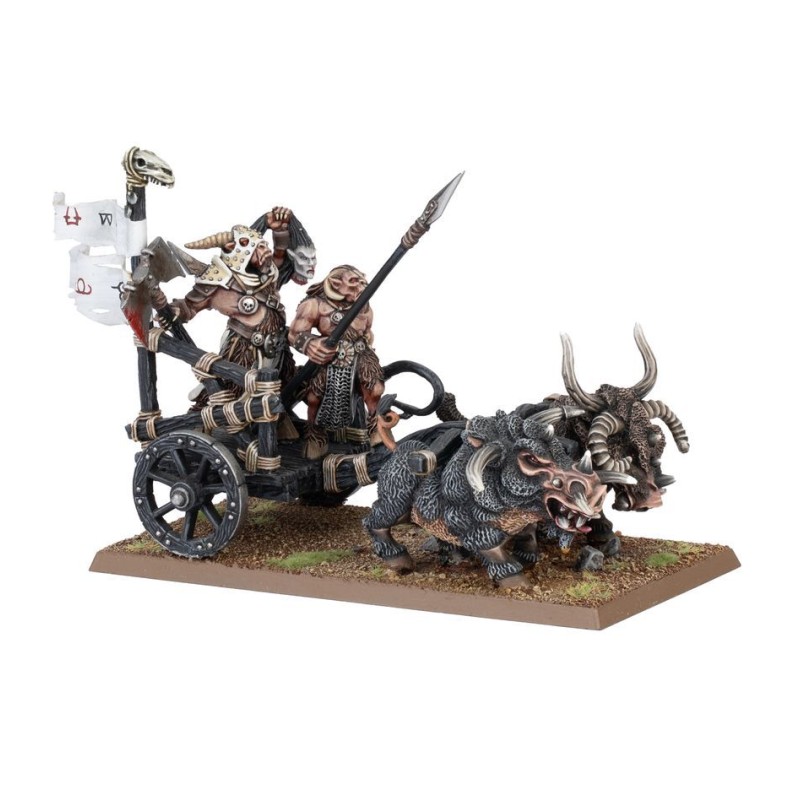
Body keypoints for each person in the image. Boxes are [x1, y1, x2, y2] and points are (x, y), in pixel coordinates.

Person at [288, 265, 384, 458]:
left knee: (375, 389)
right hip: (330, 356)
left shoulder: (364, 307)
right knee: (315, 398)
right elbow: (295, 333)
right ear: (336, 284)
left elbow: (367, 333)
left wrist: (366, 345)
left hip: (359, 353)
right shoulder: (315, 305)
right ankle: (316, 436)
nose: (361, 287)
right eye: (353, 282)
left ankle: (376, 427)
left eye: (362, 282)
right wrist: (311, 344)